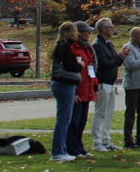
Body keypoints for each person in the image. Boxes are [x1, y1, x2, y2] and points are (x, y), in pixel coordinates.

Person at [91, 18, 129, 152]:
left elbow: (114, 62)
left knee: (108, 113)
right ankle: (97, 142)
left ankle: (106, 140)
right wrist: (120, 57)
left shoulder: (109, 44)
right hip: (102, 82)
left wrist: (120, 57)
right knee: (100, 113)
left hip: (111, 82)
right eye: (111, 27)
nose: (113, 30)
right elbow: (103, 64)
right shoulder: (97, 45)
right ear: (103, 29)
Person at [49, 22, 83, 162]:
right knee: (63, 120)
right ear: (67, 33)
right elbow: (69, 65)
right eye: (75, 31)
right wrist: (79, 65)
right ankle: (57, 152)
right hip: (64, 84)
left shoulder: (62, 46)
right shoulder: (64, 46)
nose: (77, 34)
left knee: (64, 120)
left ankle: (61, 150)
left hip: (63, 85)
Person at [66, 21, 99, 159]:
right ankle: (71, 148)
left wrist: (95, 88)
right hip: (78, 88)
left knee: (82, 120)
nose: (89, 34)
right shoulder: (72, 47)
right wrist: (73, 92)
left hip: (87, 88)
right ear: (79, 33)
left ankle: (79, 147)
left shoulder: (88, 48)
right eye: (87, 32)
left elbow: (91, 68)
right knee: (74, 121)